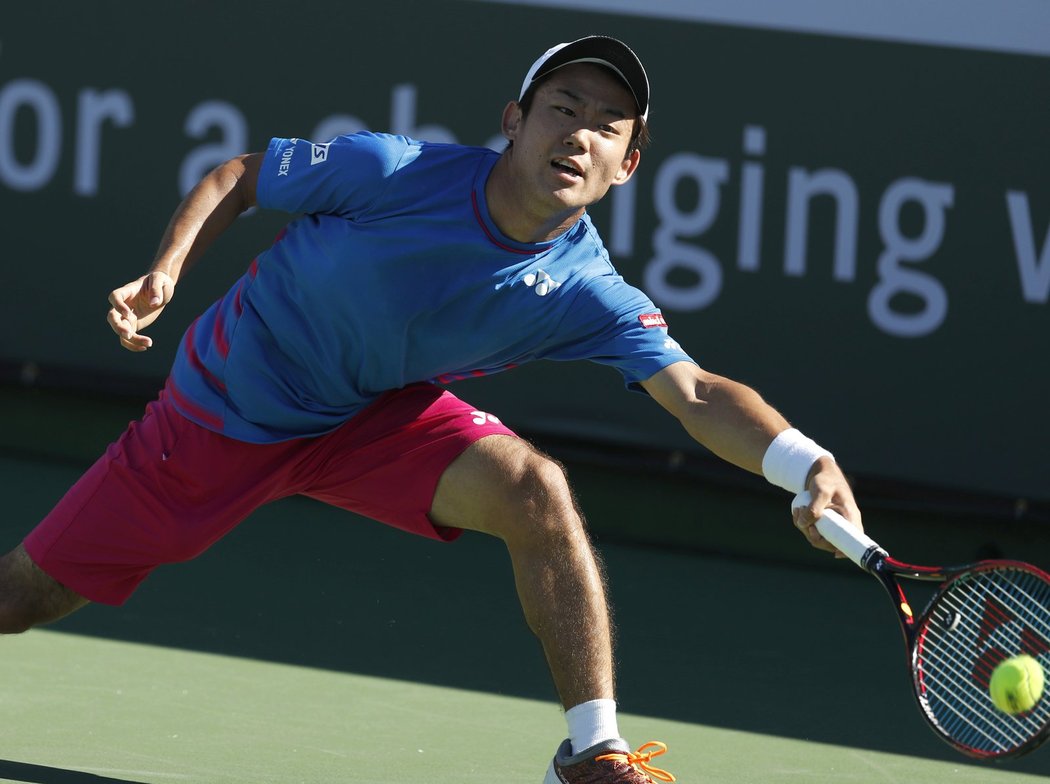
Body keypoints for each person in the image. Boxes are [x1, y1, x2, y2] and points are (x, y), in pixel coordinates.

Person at [0, 36, 861, 783]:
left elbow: (701, 394)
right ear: (514, 121)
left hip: (370, 418)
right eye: (563, 107)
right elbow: (243, 175)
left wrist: (804, 461)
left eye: (608, 126)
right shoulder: (392, 169)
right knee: (25, 597)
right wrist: (167, 272)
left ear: (626, 166)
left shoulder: (585, 289)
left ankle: (593, 754)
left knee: (536, 491)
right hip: (227, 410)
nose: (581, 135)